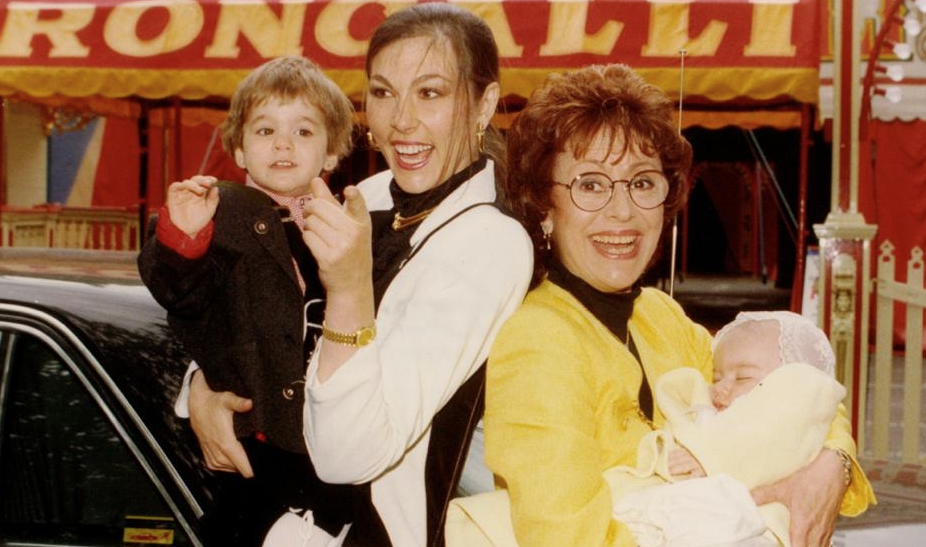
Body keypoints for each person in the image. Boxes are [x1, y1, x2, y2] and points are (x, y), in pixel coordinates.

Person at [184, 4, 533, 546]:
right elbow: (254, 298)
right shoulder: (364, 198)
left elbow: (349, 454)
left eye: (431, 92)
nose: (402, 121)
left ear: (484, 103)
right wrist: (203, 384)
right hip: (279, 513)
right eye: (384, 92)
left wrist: (348, 291)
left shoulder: (489, 241)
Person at [482, 63, 874, 547]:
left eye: (642, 182)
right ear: (544, 206)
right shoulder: (536, 340)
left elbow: (789, 379)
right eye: (590, 184)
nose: (622, 212)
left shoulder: (658, 315)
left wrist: (831, 462)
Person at [137, 55, 355, 547]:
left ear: (332, 151)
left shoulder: (347, 223)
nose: (282, 143)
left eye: (303, 131)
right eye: (264, 131)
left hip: (331, 443)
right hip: (258, 445)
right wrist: (183, 238)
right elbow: (180, 295)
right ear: (237, 147)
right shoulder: (221, 213)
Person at [607, 311, 876, 547]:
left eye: (743, 377)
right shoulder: (724, 403)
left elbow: (792, 412)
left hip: (758, 526)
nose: (721, 387)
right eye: (717, 377)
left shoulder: (784, 410)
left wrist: (708, 454)